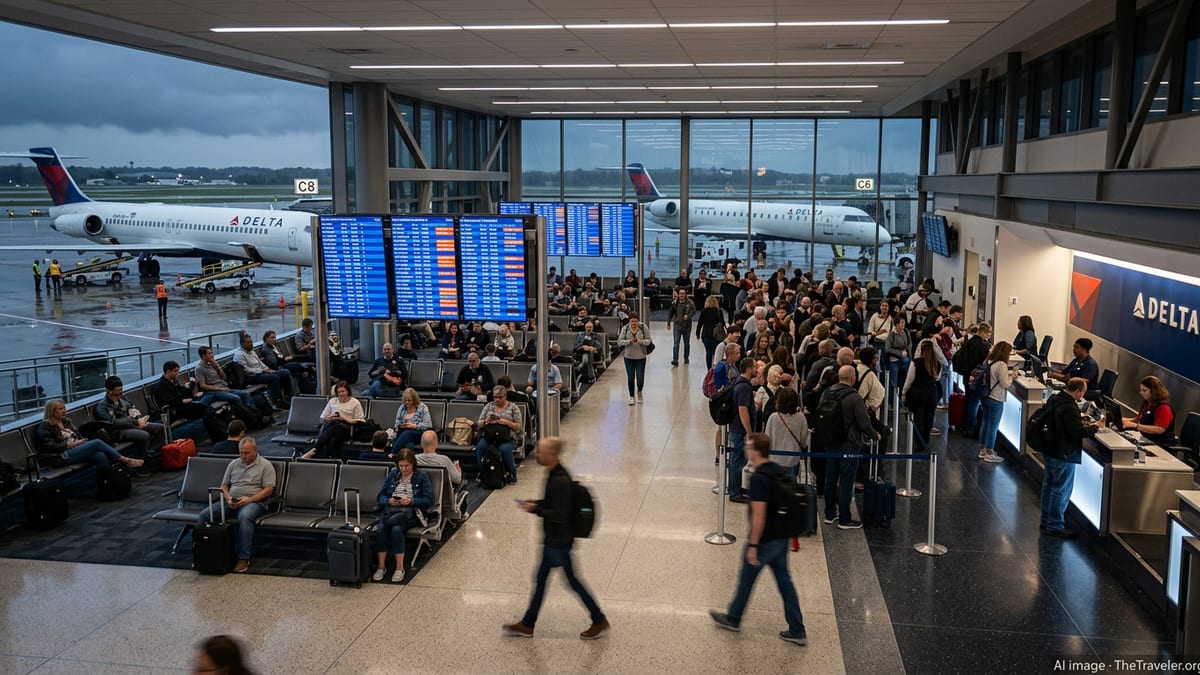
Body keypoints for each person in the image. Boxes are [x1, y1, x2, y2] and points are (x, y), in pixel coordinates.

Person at [504, 437, 609, 640]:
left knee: (571, 582)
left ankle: (599, 619)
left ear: (552, 455)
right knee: (543, 580)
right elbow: (556, 505)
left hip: (558, 543)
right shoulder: (554, 473)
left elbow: (560, 514)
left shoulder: (560, 480)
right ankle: (528, 624)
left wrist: (536, 509)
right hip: (554, 539)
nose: (537, 454)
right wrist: (539, 503)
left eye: (541, 452)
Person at [710, 432, 808, 645]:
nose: (747, 449)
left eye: (749, 446)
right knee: (785, 583)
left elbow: (759, 515)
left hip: (764, 541)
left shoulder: (759, 479)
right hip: (780, 539)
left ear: (755, 450)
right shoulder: (775, 470)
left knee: (746, 579)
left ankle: (733, 618)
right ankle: (797, 628)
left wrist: (753, 544)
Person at [197, 437, 276, 573]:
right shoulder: (234, 464)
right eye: (241, 453)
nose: (243, 456)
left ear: (255, 450)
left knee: (244, 517)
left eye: (247, 453)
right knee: (204, 515)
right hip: (231, 501)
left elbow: (268, 489)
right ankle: (202, 554)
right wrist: (228, 498)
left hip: (255, 502)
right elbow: (224, 485)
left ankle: (243, 558)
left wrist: (249, 500)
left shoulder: (265, 465)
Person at [1040, 378, 1102, 538]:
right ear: (1077, 391)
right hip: (1063, 453)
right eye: (1083, 392)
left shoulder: (1055, 399)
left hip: (1049, 450)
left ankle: (1045, 519)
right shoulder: (1069, 407)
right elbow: (1077, 432)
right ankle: (1055, 525)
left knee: (1049, 486)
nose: (1083, 395)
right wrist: (1095, 427)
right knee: (1060, 490)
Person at [823, 366, 880, 529]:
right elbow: (864, 423)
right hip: (849, 445)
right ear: (852, 378)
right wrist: (875, 434)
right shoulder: (854, 397)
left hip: (830, 442)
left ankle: (829, 513)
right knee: (847, 481)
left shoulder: (828, 392)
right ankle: (845, 518)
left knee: (831, 478)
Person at [371, 448, 432, 583]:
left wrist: (411, 501)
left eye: (407, 466)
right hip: (392, 510)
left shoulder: (421, 476)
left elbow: (428, 500)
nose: (404, 469)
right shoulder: (393, 474)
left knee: (389, 528)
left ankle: (399, 567)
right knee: (389, 529)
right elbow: (380, 496)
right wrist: (389, 500)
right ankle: (382, 566)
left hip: (411, 512)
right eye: (401, 466)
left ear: (413, 464)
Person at [33, 399, 145, 471]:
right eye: (60, 409)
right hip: (61, 456)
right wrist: (71, 445)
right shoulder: (45, 427)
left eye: (64, 408)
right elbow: (50, 447)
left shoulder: (66, 421)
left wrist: (81, 442)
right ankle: (125, 460)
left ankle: (107, 484)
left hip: (77, 449)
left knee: (100, 455)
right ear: (52, 411)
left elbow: (77, 435)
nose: (64, 411)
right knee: (96, 443)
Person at [95, 376, 166, 458]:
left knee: (160, 427)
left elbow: (133, 410)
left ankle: (153, 452)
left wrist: (140, 419)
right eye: (117, 394)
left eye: (121, 393)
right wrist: (135, 422)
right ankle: (141, 458)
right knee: (144, 435)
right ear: (108, 391)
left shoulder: (122, 400)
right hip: (117, 432)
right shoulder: (101, 407)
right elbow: (113, 422)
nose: (120, 396)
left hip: (131, 425)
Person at [301, 381, 365, 460]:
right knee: (332, 438)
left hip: (348, 429)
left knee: (332, 429)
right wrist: (329, 417)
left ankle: (314, 450)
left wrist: (344, 418)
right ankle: (331, 459)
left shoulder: (355, 402)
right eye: (339, 392)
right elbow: (322, 419)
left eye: (343, 391)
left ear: (348, 391)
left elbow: (361, 421)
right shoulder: (332, 401)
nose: (341, 394)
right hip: (333, 426)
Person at [475, 385, 522, 485]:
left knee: (504, 449)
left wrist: (506, 422)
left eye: (500, 397)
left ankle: (512, 473)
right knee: (480, 447)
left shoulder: (513, 407)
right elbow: (478, 424)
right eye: (495, 397)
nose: (497, 399)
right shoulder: (489, 406)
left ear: (505, 396)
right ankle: (482, 472)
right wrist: (486, 422)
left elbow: (518, 427)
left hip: (507, 438)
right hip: (490, 437)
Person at [977, 341, 1015, 464]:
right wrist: (1012, 376)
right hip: (996, 398)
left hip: (985, 396)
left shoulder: (989, 361)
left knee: (985, 422)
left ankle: (982, 449)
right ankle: (989, 452)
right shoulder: (1002, 365)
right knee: (993, 426)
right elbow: (1005, 384)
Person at [953, 322, 992, 437]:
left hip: (967, 375)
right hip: (976, 377)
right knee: (973, 402)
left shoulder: (970, 342)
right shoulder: (981, 346)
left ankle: (964, 425)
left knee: (968, 400)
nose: (989, 335)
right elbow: (983, 362)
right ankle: (970, 427)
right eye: (989, 333)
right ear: (984, 333)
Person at [728, 357, 758, 503]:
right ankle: (734, 492)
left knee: (738, 459)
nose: (757, 370)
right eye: (755, 367)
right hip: (740, 430)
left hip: (737, 428)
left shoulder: (740, 384)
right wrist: (749, 431)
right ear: (748, 369)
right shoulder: (744, 387)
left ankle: (736, 487)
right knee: (738, 460)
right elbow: (742, 409)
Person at [194, 346, 258, 413]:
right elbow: (203, 385)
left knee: (245, 393)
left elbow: (224, 378)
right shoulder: (199, 368)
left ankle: (254, 413)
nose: (212, 355)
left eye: (212, 353)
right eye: (209, 354)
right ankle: (247, 414)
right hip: (215, 391)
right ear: (203, 356)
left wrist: (217, 366)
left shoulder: (212, 364)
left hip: (224, 387)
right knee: (236, 398)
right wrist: (221, 389)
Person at [903, 340, 942, 444]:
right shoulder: (937, 363)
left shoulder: (916, 362)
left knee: (918, 420)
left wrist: (904, 392)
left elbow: (909, 379)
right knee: (929, 420)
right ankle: (926, 441)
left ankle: (919, 443)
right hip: (932, 393)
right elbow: (937, 378)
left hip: (918, 394)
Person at [234, 333, 288, 409]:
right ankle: (277, 402)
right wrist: (263, 371)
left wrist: (267, 369)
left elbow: (260, 362)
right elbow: (246, 370)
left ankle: (287, 396)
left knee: (284, 372)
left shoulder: (252, 351)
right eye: (248, 343)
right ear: (242, 344)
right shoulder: (239, 355)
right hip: (251, 376)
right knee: (274, 377)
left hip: (261, 372)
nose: (251, 344)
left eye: (251, 342)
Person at [151, 360, 210, 426]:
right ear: (168, 372)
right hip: (174, 410)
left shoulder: (173, 381)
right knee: (202, 407)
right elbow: (168, 400)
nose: (178, 373)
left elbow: (183, 391)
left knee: (203, 403)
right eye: (175, 371)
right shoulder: (161, 385)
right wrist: (183, 401)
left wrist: (192, 385)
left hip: (181, 405)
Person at [1123, 375, 1177, 447]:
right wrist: (1123, 420)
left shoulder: (1164, 407)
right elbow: (1138, 419)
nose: (1141, 392)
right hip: (1147, 439)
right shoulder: (1147, 402)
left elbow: (1160, 429)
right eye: (1141, 390)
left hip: (1160, 444)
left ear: (1154, 391)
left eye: (1144, 390)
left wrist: (1135, 426)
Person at [764, 387, 806, 477]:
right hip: (793, 459)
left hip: (774, 458)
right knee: (789, 487)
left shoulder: (773, 417)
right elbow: (803, 440)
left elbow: (767, 438)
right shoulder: (801, 418)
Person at [259, 330, 312, 397]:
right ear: (266, 338)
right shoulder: (266, 349)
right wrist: (284, 359)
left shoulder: (274, 346)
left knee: (295, 368)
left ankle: (300, 388)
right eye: (272, 338)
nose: (274, 339)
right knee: (291, 368)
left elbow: (280, 356)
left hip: (282, 364)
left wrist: (284, 358)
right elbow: (273, 363)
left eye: (275, 337)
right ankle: (309, 369)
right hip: (277, 368)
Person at [616, 312, 652, 405]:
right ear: (629, 321)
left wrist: (642, 342)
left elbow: (649, 341)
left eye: (636, 321)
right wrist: (628, 341)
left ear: (638, 321)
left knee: (640, 377)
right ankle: (631, 396)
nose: (634, 323)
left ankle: (639, 391)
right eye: (632, 321)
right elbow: (619, 342)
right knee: (631, 378)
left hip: (641, 357)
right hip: (628, 357)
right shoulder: (625, 328)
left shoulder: (644, 328)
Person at [391, 388, 432, 455]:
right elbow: (396, 424)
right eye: (405, 401)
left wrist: (414, 426)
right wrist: (399, 427)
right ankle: (411, 462)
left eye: (409, 401)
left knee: (407, 433)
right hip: (404, 433)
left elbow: (428, 425)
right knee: (409, 445)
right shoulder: (402, 408)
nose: (407, 402)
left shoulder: (422, 407)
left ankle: (393, 454)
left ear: (414, 400)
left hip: (418, 433)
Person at [883, 314, 911, 399]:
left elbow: (909, 344)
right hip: (894, 360)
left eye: (904, 323)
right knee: (893, 382)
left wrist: (908, 353)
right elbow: (888, 349)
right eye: (901, 323)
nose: (903, 325)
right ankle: (893, 400)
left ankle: (902, 399)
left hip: (905, 360)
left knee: (904, 380)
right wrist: (899, 353)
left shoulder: (906, 332)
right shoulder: (892, 334)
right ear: (896, 324)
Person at [667, 287, 695, 366]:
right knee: (676, 343)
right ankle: (675, 359)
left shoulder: (690, 303)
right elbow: (670, 313)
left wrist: (688, 316)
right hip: (677, 326)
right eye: (680, 294)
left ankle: (686, 358)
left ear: (686, 294)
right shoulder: (675, 303)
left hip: (687, 326)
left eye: (683, 294)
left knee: (687, 343)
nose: (681, 295)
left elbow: (694, 311)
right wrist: (668, 322)